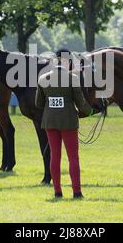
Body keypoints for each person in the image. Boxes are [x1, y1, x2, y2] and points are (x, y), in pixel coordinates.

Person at [35, 48, 97, 199]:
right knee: (73, 157)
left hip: (50, 121)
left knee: (55, 156)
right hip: (68, 121)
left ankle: (57, 191)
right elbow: (81, 103)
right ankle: (77, 192)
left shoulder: (43, 79)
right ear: (68, 61)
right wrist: (91, 111)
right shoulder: (73, 78)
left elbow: (38, 103)